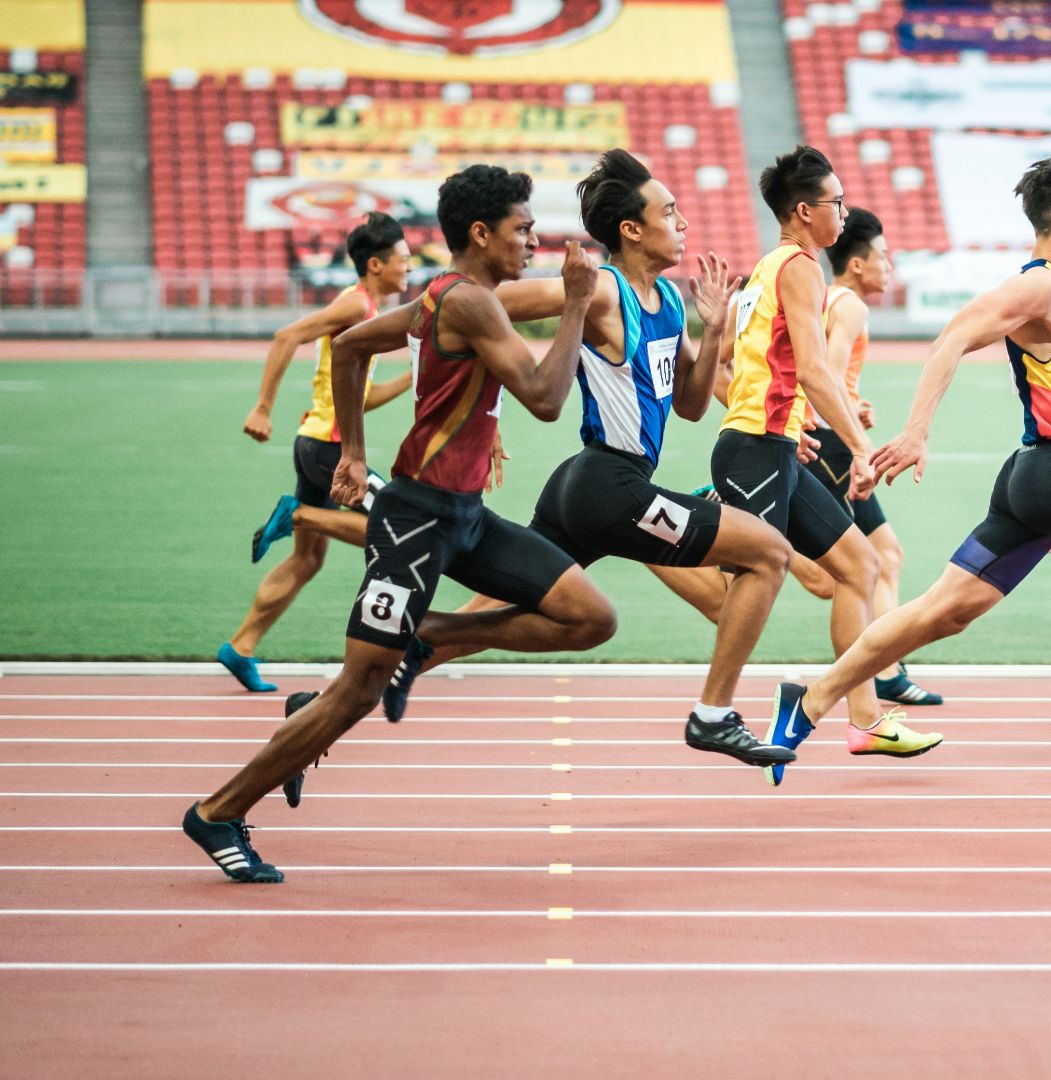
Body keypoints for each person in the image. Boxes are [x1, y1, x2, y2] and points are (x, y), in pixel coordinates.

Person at [181, 165, 618, 882]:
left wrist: (355, 450)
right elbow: (543, 398)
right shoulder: (468, 301)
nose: (535, 240)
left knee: (589, 616)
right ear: (481, 234)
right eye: (522, 228)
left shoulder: (452, 295)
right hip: (416, 522)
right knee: (357, 691)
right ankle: (218, 811)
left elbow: (351, 347)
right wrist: (575, 306)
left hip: (467, 517)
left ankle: (431, 637)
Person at [759, 157, 1051, 782]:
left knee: (942, 612)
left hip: (1038, 481)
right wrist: (917, 430)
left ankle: (810, 700)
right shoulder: (1036, 287)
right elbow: (952, 337)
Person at [369, 149, 793, 769]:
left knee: (500, 610)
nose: (682, 225)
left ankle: (344, 692)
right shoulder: (599, 288)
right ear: (631, 230)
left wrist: (716, 329)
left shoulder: (671, 303)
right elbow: (468, 307)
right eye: (669, 213)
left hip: (587, 485)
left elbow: (693, 409)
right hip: (609, 486)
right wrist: (440, 368)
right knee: (769, 554)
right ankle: (713, 715)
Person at [715, 145, 942, 780]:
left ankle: (866, 722)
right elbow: (816, 369)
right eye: (836, 202)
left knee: (861, 565)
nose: (844, 212)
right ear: (803, 210)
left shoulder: (774, 266)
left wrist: (794, 426)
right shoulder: (800, 268)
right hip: (755, 449)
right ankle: (715, 708)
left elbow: (754, 361)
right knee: (749, 578)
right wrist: (861, 449)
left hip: (776, 445)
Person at [219, 212, 414, 691]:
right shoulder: (356, 307)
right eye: (403, 262)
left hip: (317, 443)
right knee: (399, 532)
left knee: (307, 561)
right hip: (330, 448)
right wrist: (262, 408)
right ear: (375, 265)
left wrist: (415, 378)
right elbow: (288, 335)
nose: (409, 270)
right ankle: (299, 515)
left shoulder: (365, 310)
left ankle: (240, 646)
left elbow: (361, 396)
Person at [807, 207, 942, 706]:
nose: (890, 266)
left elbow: (829, 376)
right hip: (831, 446)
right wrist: (853, 436)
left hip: (827, 435)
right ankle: (881, 670)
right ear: (858, 264)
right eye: (884, 256)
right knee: (856, 566)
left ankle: (885, 668)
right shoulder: (852, 307)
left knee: (883, 557)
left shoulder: (828, 299)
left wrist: (853, 404)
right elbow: (824, 370)